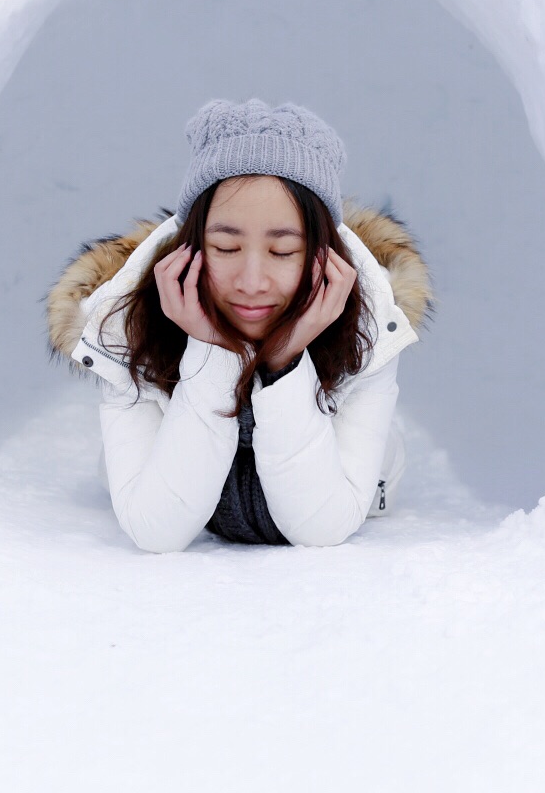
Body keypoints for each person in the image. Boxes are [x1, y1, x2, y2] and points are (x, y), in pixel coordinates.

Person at [45, 99, 431, 552]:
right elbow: (156, 530)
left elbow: (321, 527)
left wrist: (285, 359)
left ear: (323, 256)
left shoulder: (371, 325)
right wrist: (211, 349)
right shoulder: (124, 325)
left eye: (283, 252)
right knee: (119, 473)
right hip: (178, 468)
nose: (252, 283)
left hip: (347, 471)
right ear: (190, 246)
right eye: (226, 247)